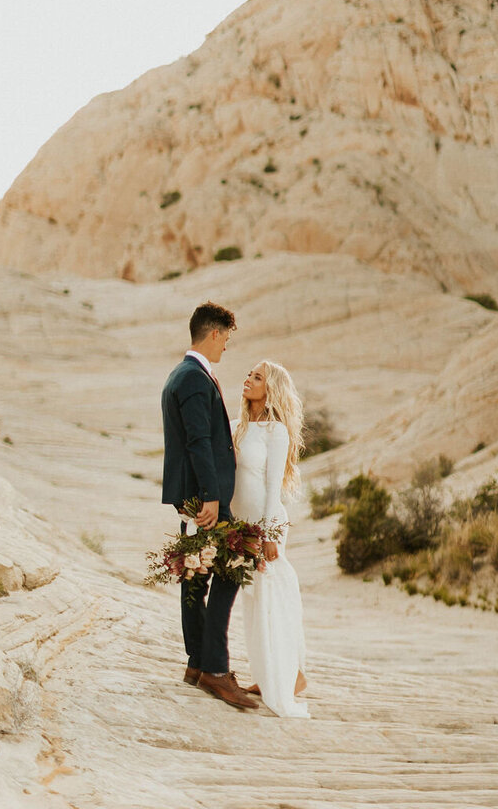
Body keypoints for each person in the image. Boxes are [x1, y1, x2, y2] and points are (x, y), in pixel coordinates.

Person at [160, 301, 258, 711]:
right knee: (234, 569)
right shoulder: (196, 379)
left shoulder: (179, 375)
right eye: (226, 339)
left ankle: (197, 664)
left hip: (192, 496)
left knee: (197, 576)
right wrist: (213, 497)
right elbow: (199, 441)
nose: (226, 348)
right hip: (205, 499)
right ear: (214, 333)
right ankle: (216, 669)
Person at [231, 360, 309, 718]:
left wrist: (268, 535)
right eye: (249, 374)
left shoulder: (276, 432)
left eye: (257, 377)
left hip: (265, 525)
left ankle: (290, 676)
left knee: (271, 598)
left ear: (271, 389)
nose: (248, 380)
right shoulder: (237, 427)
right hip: (240, 527)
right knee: (252, 601)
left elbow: (272, 489)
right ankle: (266, 674)